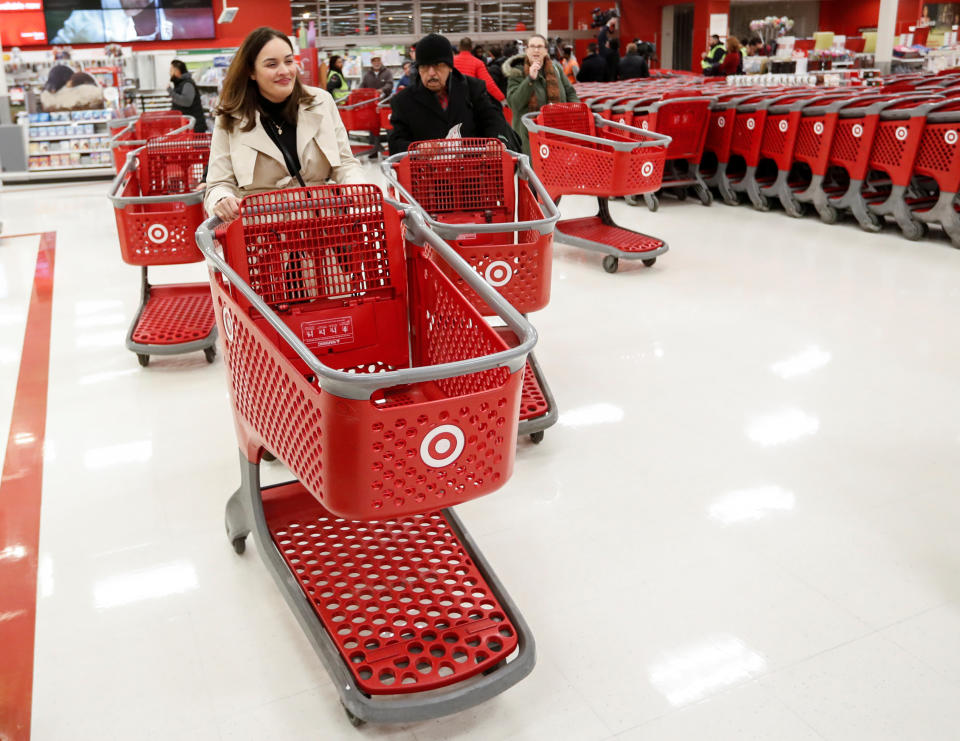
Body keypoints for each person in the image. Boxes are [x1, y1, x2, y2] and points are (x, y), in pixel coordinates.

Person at [204, 26, 365, 223]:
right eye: (271, 64)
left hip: (325, 230)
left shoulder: (321, 102)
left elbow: (345, 163)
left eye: (289, 61)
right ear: (251, 71)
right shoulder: (231, 116)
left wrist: (358, 187)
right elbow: (218, 183)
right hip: (264, 235)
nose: (284, 71)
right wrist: (222, 199)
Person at [387, 33, 519, 154]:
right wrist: (416, 149)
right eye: (425, 66)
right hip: (426, 175)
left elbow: (493, 120)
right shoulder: (403, 101)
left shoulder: (473, 89)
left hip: (473, 174)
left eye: (438, 65)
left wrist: (495, 141)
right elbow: (395, 143)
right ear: (418, 69)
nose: (431, 73)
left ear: (450, 67)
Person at [505, 33, 578, 154]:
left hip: (556, 132)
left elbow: (570, 92)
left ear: (546, 50)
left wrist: (575, 112)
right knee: (533, 171)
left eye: (540, 46)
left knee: (556, 169)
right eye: (532, 46)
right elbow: (514, 103)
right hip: (528, 136)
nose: (536, 50)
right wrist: (530, 79)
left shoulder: (556, 69)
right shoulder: (517, 72)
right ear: (526, 50)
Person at [454, 36, 505, 104]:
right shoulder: (478, 63)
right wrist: (502, 98)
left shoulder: (451, 61)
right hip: (470, 100)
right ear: (471, 48)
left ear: (459, 48)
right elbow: (488, 83)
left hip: (454, 98)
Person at [168, 59, 207, 132]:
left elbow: (186, 102)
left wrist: (171, 92)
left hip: (194, 127)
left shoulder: (187, 84)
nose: (169, 73)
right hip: (188, 126)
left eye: (171, 70)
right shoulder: (181, 83)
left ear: (177, 71)